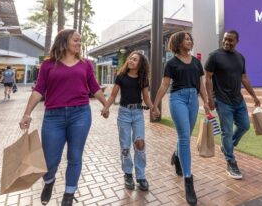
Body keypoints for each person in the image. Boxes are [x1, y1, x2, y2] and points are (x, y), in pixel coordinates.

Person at [18, 29, 109, 206]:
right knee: (50, 160)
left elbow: (95, 87)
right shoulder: (48, 65)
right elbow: (38, 90)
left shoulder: (85, 65)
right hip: (54, 117)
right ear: (64, 41)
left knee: (75, 156)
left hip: (81, 114)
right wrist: (27, 113)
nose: (79, 43)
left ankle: (68, 195)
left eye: (80, 41)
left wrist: (105, 105)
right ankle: (49, 180)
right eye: (75, 40)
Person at [152, 31, 209, 206]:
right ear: (178, 42)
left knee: (185, 136)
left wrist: (206, 102)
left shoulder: (197, 63)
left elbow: (201, 85)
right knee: (184, 138)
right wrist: (155, 104)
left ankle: (177, 157)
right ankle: (188, 180)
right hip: (178, 99)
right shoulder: (171, 63)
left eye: (191, 38)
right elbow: (164, 85)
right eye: (186, 39)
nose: (190, 41)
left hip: (193, 99)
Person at [204, 30, 261, 180]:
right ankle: (230, 161)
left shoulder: (240, 58)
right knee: (226, 132)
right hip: (222, 101)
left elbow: (244, 77)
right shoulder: (214, 56)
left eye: (230, 40)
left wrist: (254, 96)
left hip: (238, 99)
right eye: (225, 40)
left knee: (245, 125)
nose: (227, 42)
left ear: (237, 42)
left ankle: (227, 146)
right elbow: (208, 78)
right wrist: (210, 99)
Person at [101, 51, 156, 191]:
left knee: (140, 143)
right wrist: (106, 108)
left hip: (138, 114)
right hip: (124, 113)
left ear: (140, 64)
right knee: (125, 146)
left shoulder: (143, 79)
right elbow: (113, 95)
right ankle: (128, 174)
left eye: (135, 59)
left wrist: (154, 108)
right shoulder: (121, 76)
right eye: (130, 58)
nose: (131, 60)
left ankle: (141, 176)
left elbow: (146, 97)